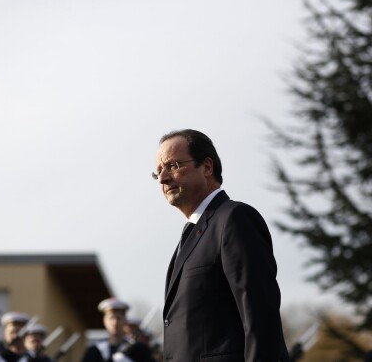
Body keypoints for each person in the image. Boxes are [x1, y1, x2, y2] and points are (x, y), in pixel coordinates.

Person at [153, 129, 290, 362]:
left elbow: (260, 316)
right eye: (158, 172)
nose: (164, 178)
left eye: (173, 166)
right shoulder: (190, 236)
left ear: (207, 167)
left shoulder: (233, 219)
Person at [81, 297, 155, 362]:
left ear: (125, 320)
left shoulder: (139, 349)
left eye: (119, 318)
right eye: (111, 318)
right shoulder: (94, 351)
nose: (115, 322)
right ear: (104, 321)